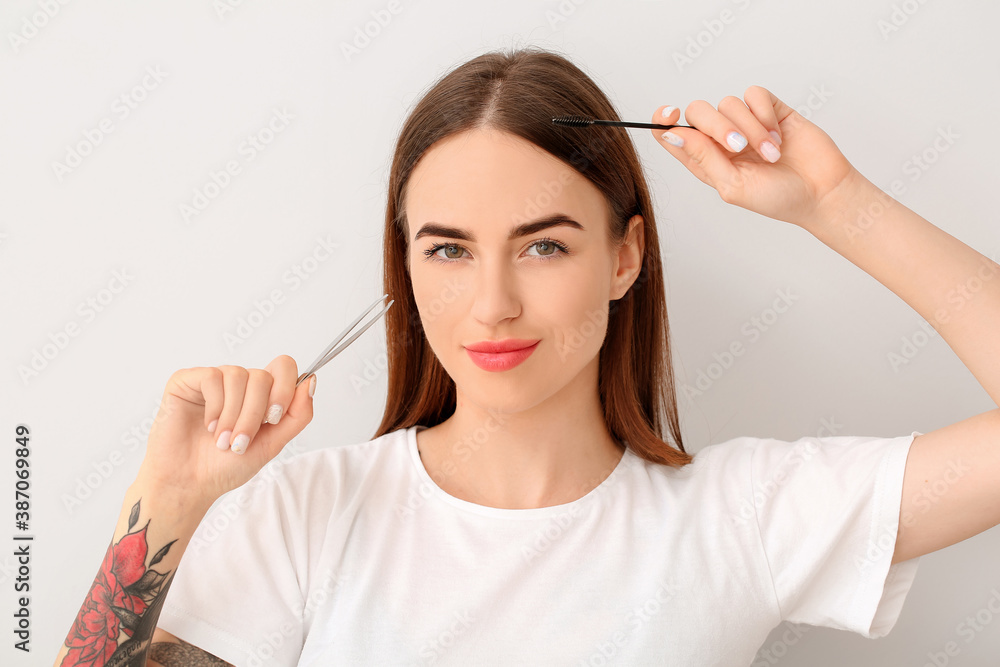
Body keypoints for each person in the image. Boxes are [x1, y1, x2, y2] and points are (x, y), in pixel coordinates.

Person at [53, 45, 1000, 666]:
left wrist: (834, 202)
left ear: (624, 256)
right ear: (407, 265)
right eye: (449, 249)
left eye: (545, 244)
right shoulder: (307, 514)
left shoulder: (742, 515)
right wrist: (168, 499)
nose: (494, 303)